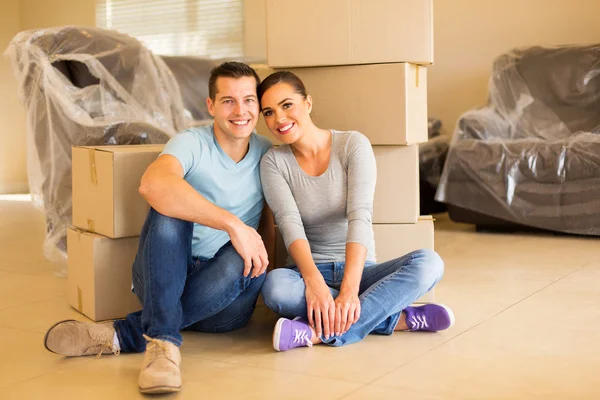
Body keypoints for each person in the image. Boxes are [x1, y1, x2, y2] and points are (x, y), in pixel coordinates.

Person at [43, 62, 274, 393]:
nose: (240, 111)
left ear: (258, 103)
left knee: (246, 257)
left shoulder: (268, 153)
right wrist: (232, 223)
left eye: (248, 100)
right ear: (210, 106)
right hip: (166, 275)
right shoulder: (191, 142)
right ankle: (163, 347)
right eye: (228, 101)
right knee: (169, 203)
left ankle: (125, 334)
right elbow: (153, 184)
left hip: (225, 302)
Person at [257, 71, 455, 352]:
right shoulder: (273, 162)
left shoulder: (352, 145)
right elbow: (289, 224)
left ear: (308, 103)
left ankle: (317, 333)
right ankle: (396, 319)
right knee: (275, 288)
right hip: (306, 274)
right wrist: (314, 283)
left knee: (430, 264)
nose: (279, 119)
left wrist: (349, 291)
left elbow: (359, 215)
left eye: (287, 105)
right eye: (269, 112)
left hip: (362, 273)